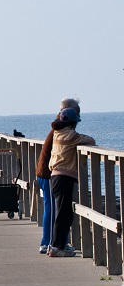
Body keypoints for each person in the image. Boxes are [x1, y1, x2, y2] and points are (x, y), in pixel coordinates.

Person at [48, 107, 95, 257]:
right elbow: (90, 141)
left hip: (55, 176)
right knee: (63, 214)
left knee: (64, 213)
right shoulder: (70, 135)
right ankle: (56, 247)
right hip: (63, 177)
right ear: (73, 123)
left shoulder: (57, 133)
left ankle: (59, 245)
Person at [36, 98, 80, 254]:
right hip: (49, 174)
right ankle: (48, 243)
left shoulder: (58, 126)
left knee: (58, 209)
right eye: (77, 111)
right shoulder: (60, 129)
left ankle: (60, 242)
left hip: (51, 173)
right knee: (54, 209)